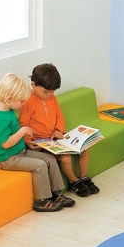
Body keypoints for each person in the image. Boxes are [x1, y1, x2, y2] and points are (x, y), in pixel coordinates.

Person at [0, 72, 74, 212]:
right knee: (40, 165)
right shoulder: (1, 119)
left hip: (19, 152)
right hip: (7, 159)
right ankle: (41, 200)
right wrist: (22, 132)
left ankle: (57, 194)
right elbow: (5, 144)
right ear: (9, 99)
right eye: (21, 101)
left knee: (50, 159)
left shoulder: (7, 111)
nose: (23, 104)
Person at [19, 63, 99, 197]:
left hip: (57, 136)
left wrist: (58, 130)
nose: (49, 95)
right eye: (46, 92)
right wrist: (27, 141)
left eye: (53, 91)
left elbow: (59, 116)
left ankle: (84, 177)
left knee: (85, 147)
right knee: (66, 157)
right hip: (41, 142)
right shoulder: (27, 102)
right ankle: (74, 182)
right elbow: (24, 124)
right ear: (33, 85)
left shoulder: (52, 98)